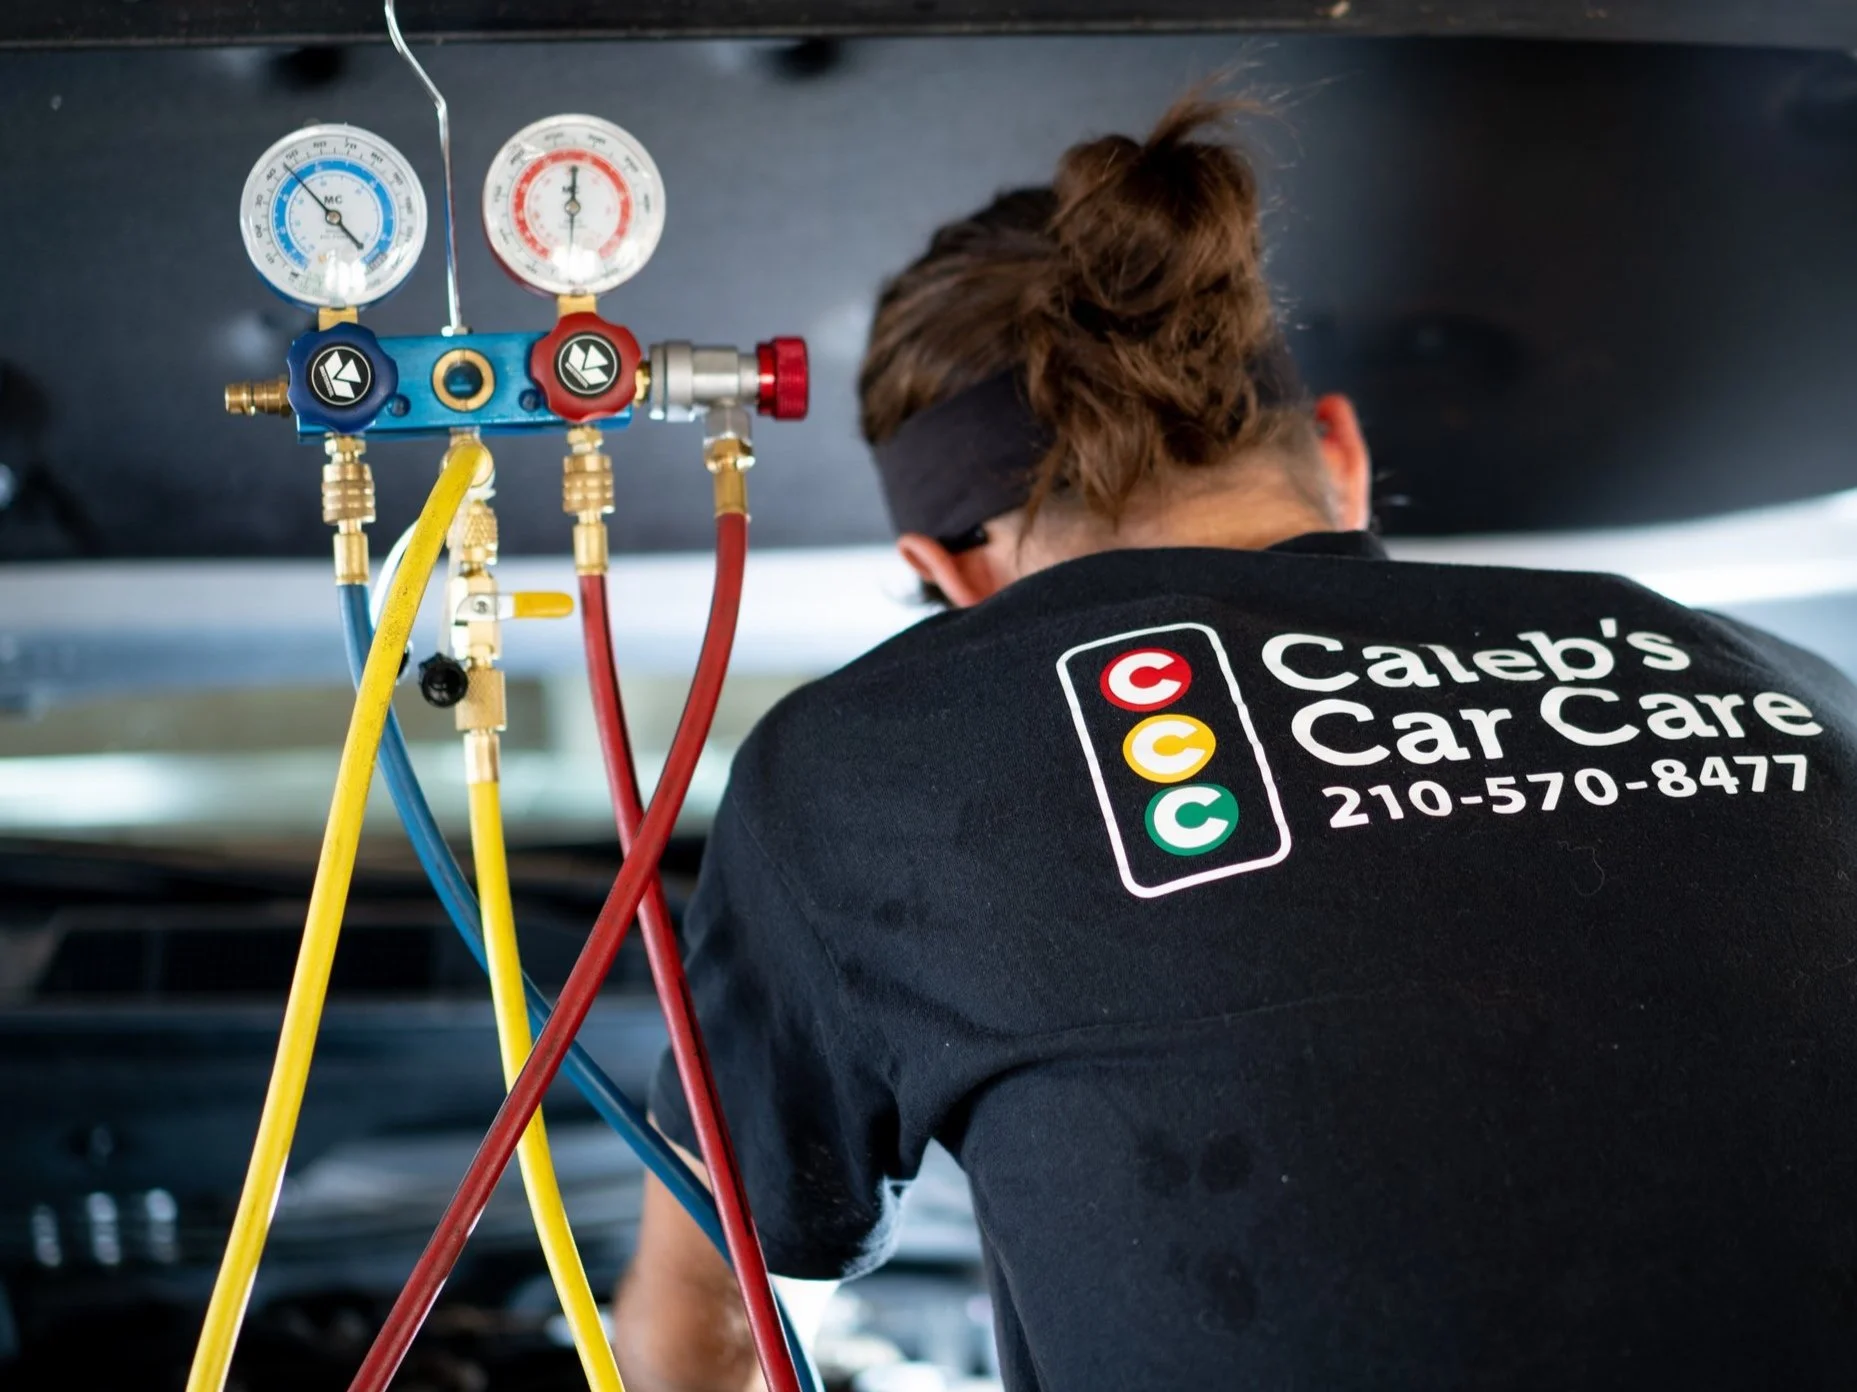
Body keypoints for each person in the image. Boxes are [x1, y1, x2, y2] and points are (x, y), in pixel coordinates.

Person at [613, 96, 1857, 1389]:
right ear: (1341, 452)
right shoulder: (1784, 682)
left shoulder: (865, 761)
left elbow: (695, 1336)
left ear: (950, 576)